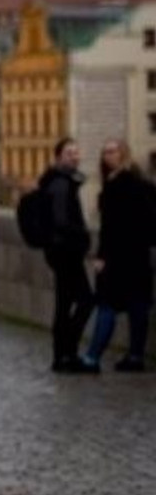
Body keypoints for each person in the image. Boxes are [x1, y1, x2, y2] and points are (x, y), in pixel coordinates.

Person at [83, 139, 154, 373]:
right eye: (104, 152)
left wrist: (102, 256)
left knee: (107, 305)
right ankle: (135, 357)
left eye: (112, 151)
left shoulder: (115, 186)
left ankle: (93, 357)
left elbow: (110, 227)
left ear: (123, 154)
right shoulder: (143, 184)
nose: (107, 156)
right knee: (138, 305)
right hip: (139, 255)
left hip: (117, 257)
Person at [40, 137, 95, 373]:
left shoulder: (59, 180)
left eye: (76, 152)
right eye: (69, 153)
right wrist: (83, 234)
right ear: (59, 156)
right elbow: (61, 220)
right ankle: (67, 353)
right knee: (85, 300)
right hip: (66, 251)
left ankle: (61, 356)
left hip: (60, 251)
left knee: (64, 303)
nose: (75, 156)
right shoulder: (61, 184)